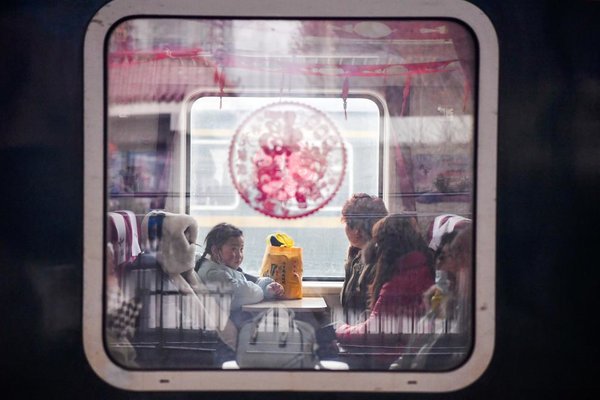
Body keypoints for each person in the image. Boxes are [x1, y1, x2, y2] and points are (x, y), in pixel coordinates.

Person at [335, 214, 434, 346]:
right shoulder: (423, 270)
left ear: (386, 248)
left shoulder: (398, 284)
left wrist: (340, 329)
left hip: (390, 357)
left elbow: (372, 332)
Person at [195, 223, 284, 363]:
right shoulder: (214, 274)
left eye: (241, 249)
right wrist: (264, 290)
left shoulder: (223, 269)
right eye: (233, 249)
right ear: (216, 250)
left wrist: (268, 286)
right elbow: (246, 292)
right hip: (231, 326)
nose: (239, 255)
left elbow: (248, 282)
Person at [390, 222, 473, 370]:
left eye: (454, 256)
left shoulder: (470, 315)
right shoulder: (443, 303)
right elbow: (414, 351)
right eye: (440, 258)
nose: (442, 266)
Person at [340, 193, 388, 325]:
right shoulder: (356, 257)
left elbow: (368, 318)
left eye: (346, 224)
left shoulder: (377, 265)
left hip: (363, 336)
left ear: (357, 230)